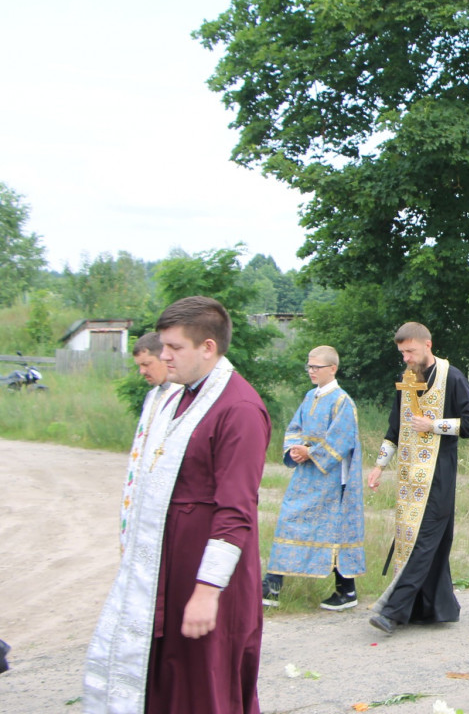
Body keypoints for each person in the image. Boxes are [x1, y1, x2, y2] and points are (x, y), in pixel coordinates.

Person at [84, 296, 271, 713]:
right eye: (163, 347)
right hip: (169, 573)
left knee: (203, 692)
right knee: (168, 686)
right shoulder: (180, 396)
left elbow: (236, 512)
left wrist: (207, 591)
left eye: (175, 348)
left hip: (208, 582)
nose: (164, 356)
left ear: (208, 347)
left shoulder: (238, 409)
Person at [368, 322, 469, 633]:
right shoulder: (406, 379)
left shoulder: (453, 377)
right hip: (408, 480)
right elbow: (395, 428)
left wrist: (434, 425)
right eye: (402, 352)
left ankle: (391, 610)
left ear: (427, 345)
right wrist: (380, 465)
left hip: (438, 478)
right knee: (426, 542)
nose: (406, 357)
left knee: (423, 541)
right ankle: (434, 608)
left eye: (410, 351)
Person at [262, 346, 366, 611]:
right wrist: (294, 450)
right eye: (309, 366)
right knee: (289, 519)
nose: (311, 371)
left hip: (330, 477)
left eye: (316, 367)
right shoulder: (310, 397)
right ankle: (271, 585)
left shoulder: (343, 401)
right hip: (306, 474)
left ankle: (346, 590)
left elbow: (342, 439)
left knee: (333, 529)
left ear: (332, 369)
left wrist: (313, 453)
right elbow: (295, 427)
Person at [117, 333, 182, 548]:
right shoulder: (152, 396)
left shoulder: (182, 395)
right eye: (139, 365)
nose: (142, 371)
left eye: (147, 364)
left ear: (164, 357)